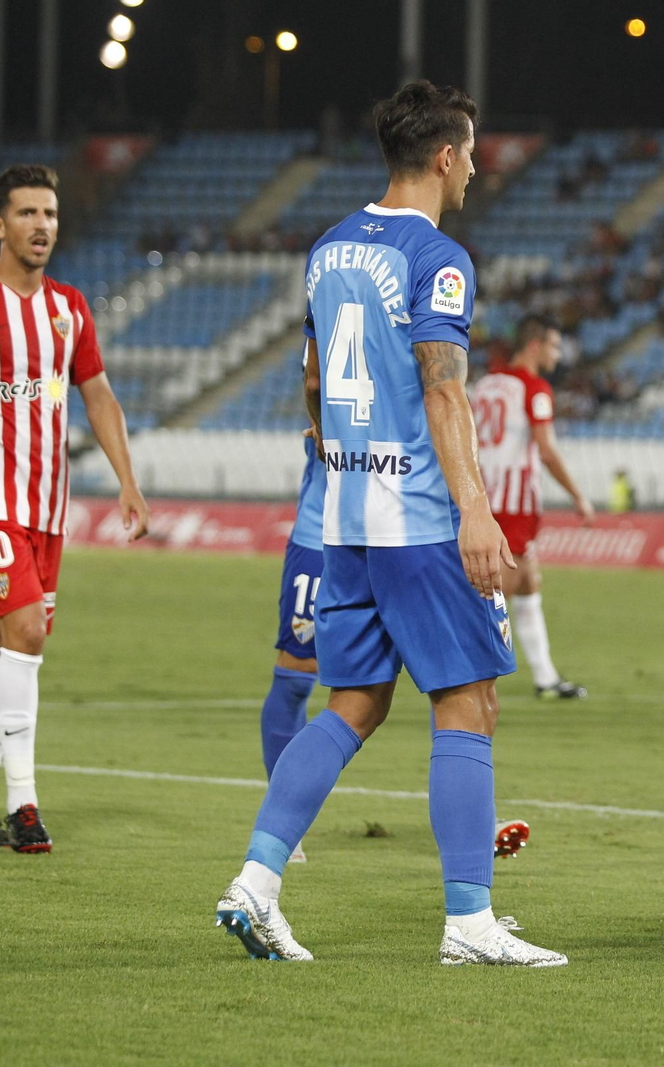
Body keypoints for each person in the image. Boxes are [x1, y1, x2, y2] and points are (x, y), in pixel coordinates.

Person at [213, 81, 565, 968]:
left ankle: (255, 883)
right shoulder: (436, 255)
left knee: (353, 704)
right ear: (445, 155)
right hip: (418, 518)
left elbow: (307, 379)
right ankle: (469, 923)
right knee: (469, 703)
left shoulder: (329, 249)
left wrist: (338, 454)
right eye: (473, 150)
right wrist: (475, 509)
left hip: (345, 516)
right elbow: (444, 385)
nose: (478, 165)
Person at [0, 164, 150, 853]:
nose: (42, 226)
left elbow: (98, 395)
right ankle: (24, 802)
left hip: (45, 504)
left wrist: (127, 479)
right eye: (28, 213)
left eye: (51, 214)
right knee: (27, 628)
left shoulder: (69, 309)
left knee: (3, 645)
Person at [257, 408, 533, 866]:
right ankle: (285, 828)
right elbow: (317, 388)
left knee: (440, 687)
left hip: (386, 532)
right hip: (344, 532)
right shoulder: (409, 343)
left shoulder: (337, 339)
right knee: (302, 676)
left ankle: (263, 864)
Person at [469, 313, 592, 699]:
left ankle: (545, 679)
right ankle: (472, 675)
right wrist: (577, 495)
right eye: (555, 346)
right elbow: (546, 450)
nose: (560, 354)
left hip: (483, 494)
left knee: (527, 582)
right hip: (514, 501)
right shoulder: (535, 388)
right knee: (496, 590)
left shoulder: (485, 384)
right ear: (535, 345)